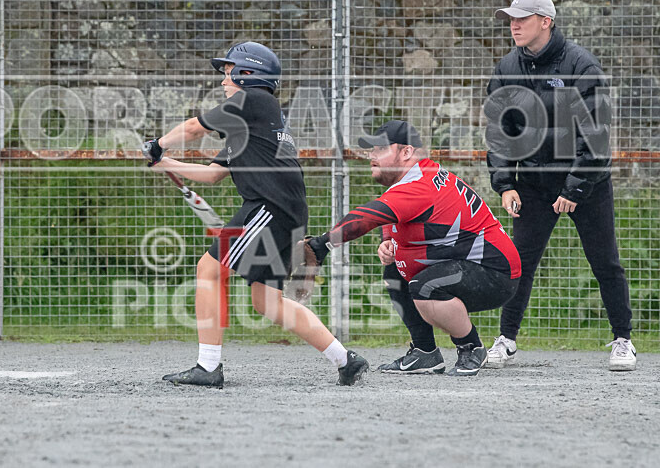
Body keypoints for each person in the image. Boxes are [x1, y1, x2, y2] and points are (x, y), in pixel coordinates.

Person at [142, 41, 368, 388]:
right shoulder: (252, 122)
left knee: (209, 269)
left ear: (249, 74)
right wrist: (166, 163)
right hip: (284, 211)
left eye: (230, 71)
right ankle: (345, 360)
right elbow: (214, 173)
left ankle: (208, 367)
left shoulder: (253, 101)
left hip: (268, 207)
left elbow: (192, 128)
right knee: (266, 301)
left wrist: (158, 143)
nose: (223, 80)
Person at [484, 0, 636, 371]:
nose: (514, 25)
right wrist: (505, 184)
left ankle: (623, 340)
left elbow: (596, 138)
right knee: (519, 262)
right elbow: (500, 133)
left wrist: (574, 187)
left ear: (546, 22)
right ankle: (506, 339)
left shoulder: (581, 66)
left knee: (605, 263)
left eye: (521, 19)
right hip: (533, 183)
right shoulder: (507, 68)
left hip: (587, 184)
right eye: (510, 20)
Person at [300, 120, 522, 376]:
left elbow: (367, 217)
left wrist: (320, 245)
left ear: (406, 152)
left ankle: (471, 347)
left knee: (425, 287)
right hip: (474, 264)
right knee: (395, 272)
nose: (371, 156)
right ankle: (426, 353)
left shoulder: (418, 186)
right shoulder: (421, 174)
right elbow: (395, 214)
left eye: (380, 149)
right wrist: (388, 239)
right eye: (370, 150)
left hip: (497, 273)